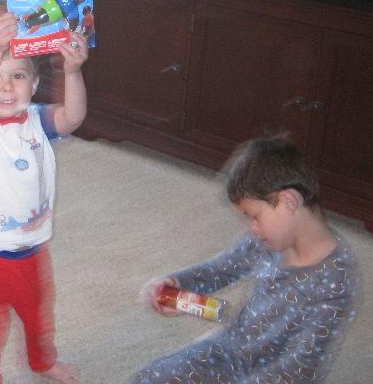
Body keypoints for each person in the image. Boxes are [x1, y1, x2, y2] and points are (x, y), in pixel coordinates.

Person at [130, 135, 360, 384]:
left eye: (254, 216)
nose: (252, 228)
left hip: (275, 376)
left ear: (288, 201)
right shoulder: (266, 240)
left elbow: (298, 369)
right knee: (151, 377)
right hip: (230, 350)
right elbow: (220, 270)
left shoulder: (336, 280)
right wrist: (178, 283)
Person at [0, 6, 88, 384]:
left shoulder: (39, 120)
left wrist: (73, 72)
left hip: (32, 249)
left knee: (38, 316)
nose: (6, 86)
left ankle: (41, 361)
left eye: (17, 75)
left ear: (33, 83)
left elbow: (74, 117)